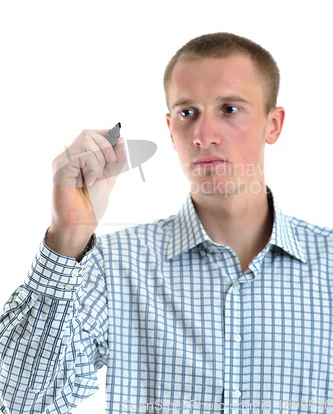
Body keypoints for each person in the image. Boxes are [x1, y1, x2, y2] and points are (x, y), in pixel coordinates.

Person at [0, 32, 332, 413]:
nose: (204, 137)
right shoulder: (116, 267)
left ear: (273, 125)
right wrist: (67, 237)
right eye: (187, 113)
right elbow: (18, 401)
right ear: (171, 129)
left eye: (230, 109)